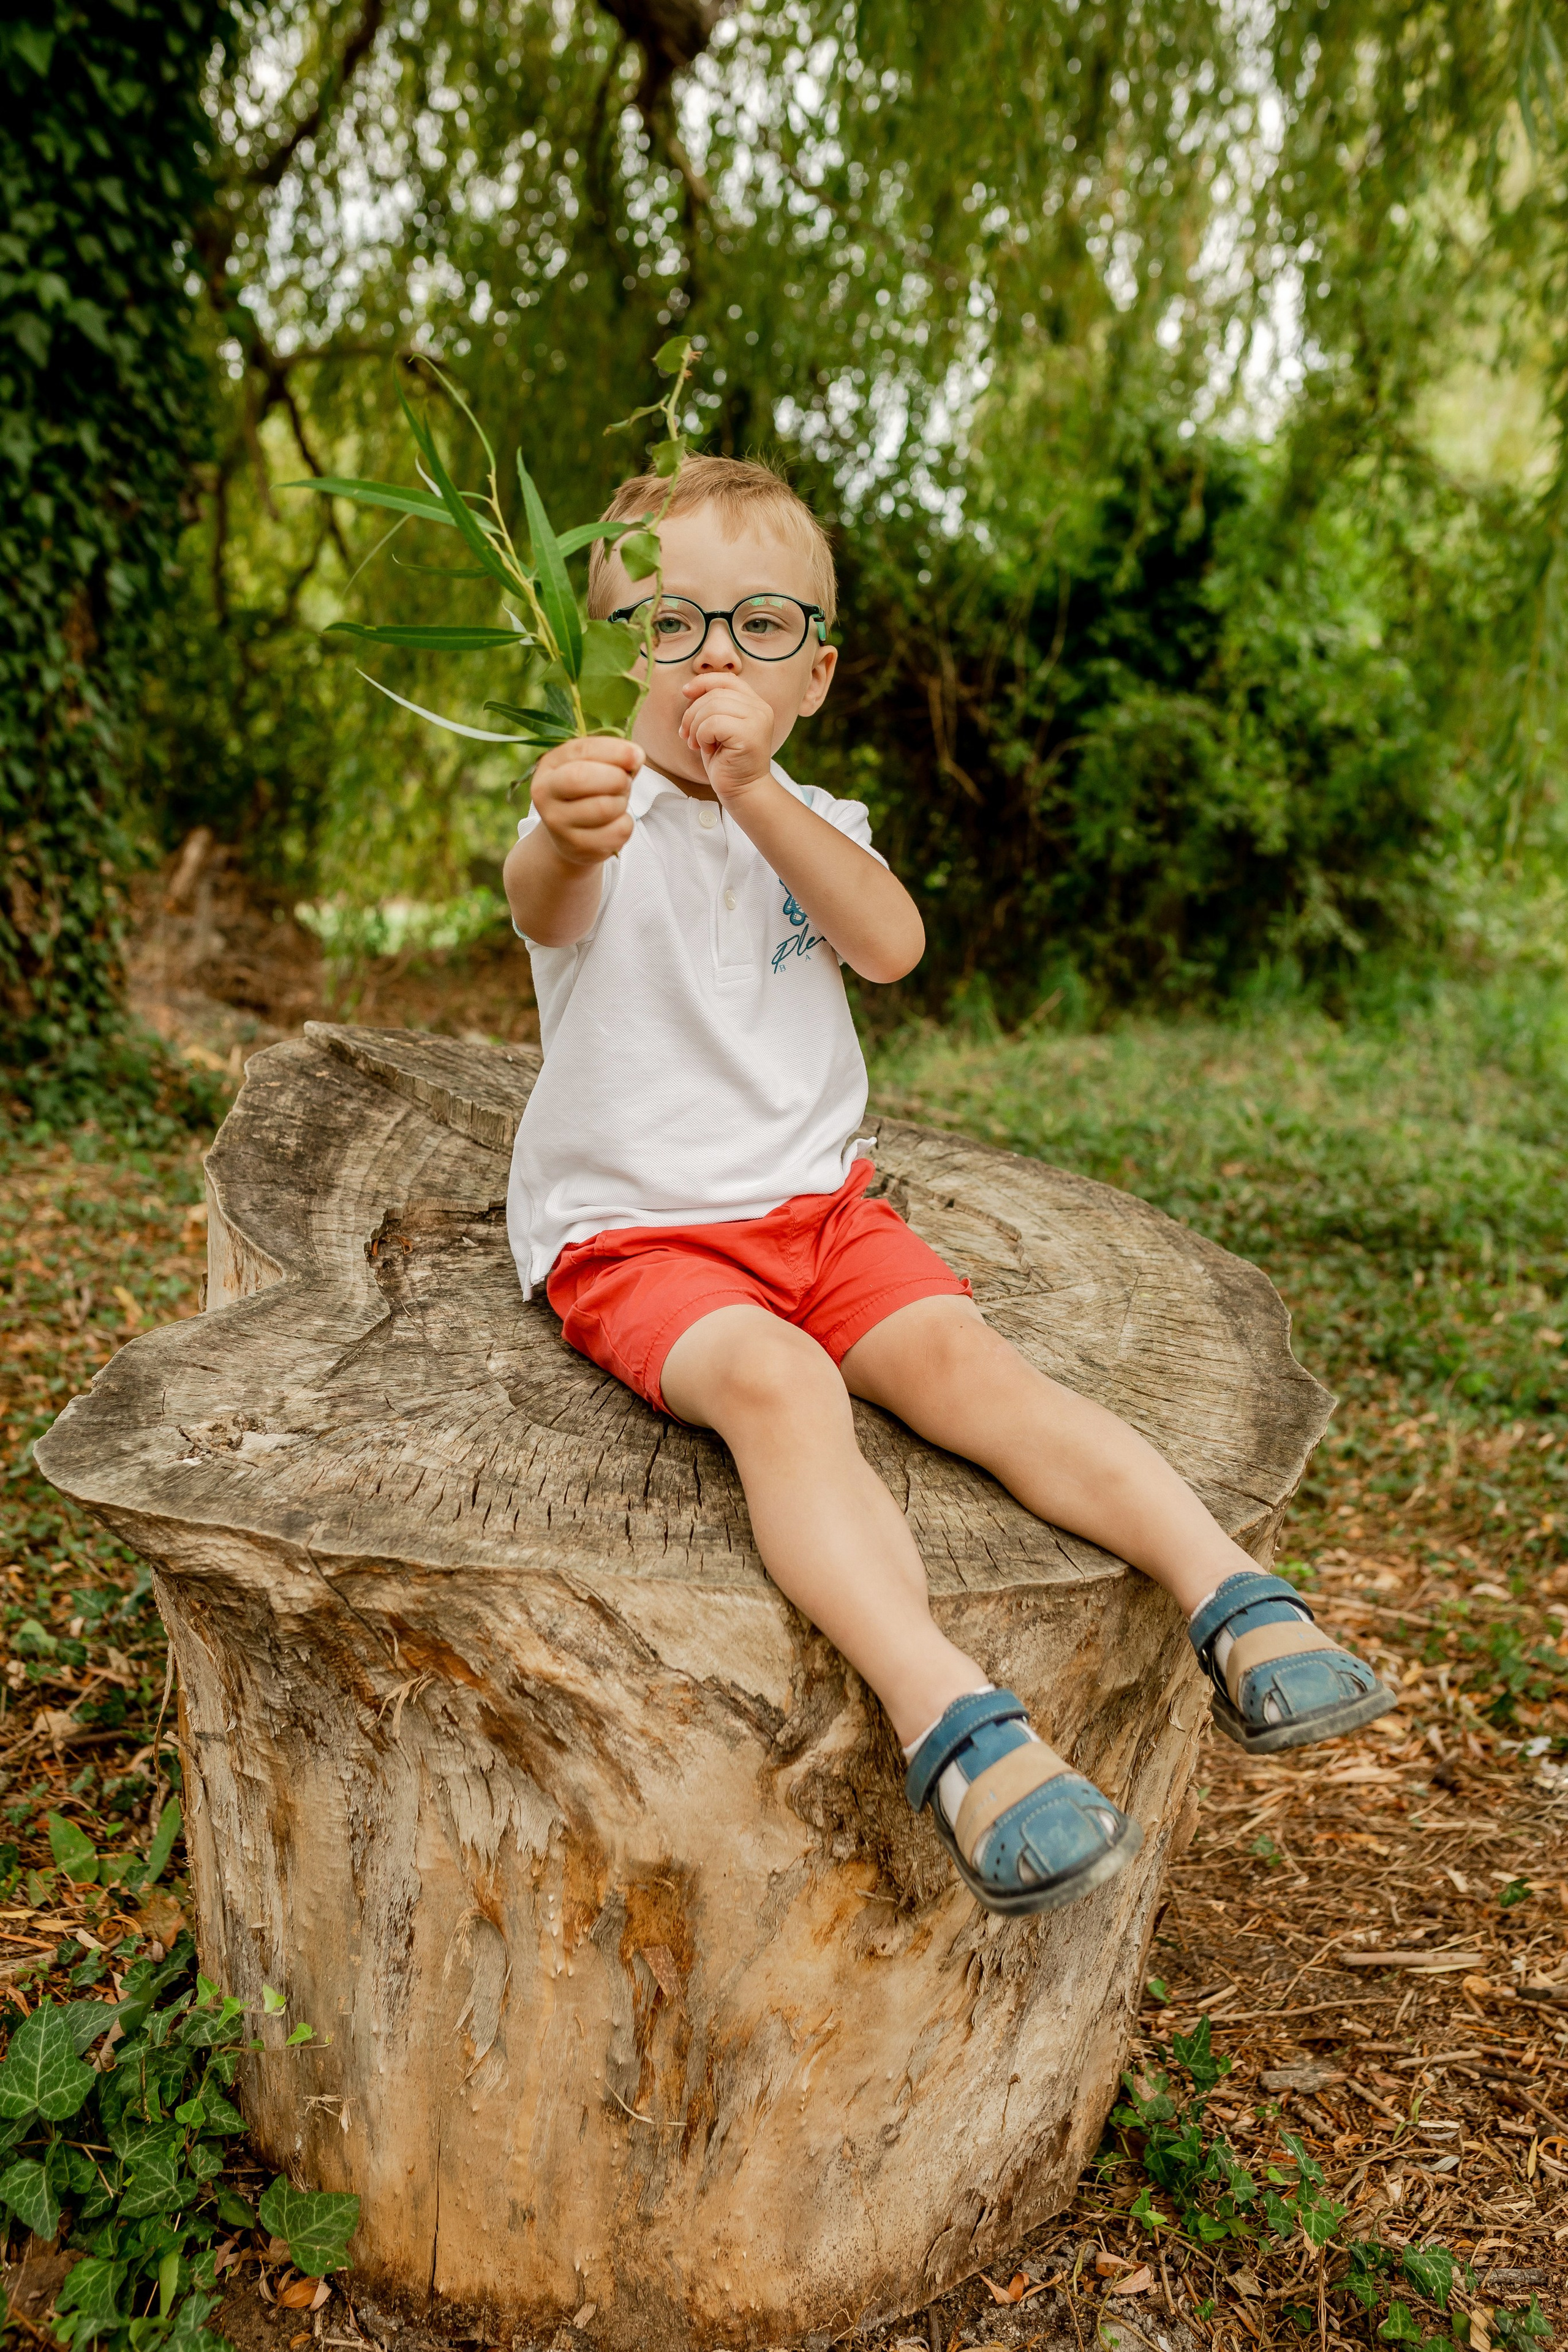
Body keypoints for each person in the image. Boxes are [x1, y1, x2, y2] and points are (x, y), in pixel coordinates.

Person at [502, 453, 1394, 1918]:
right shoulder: (602, 819)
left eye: (759, 627)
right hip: (641, 1235)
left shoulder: (819, 820)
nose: (712, 655)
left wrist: (758, 788)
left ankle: (1228, 1590)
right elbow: (544, 897)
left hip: (822, 1210)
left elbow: (889, 945)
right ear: (611, 662)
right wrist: (560, 815)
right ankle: (953, 1722)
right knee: (781, 1391)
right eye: (666, 627)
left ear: (818, 676)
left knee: (969, 1369)